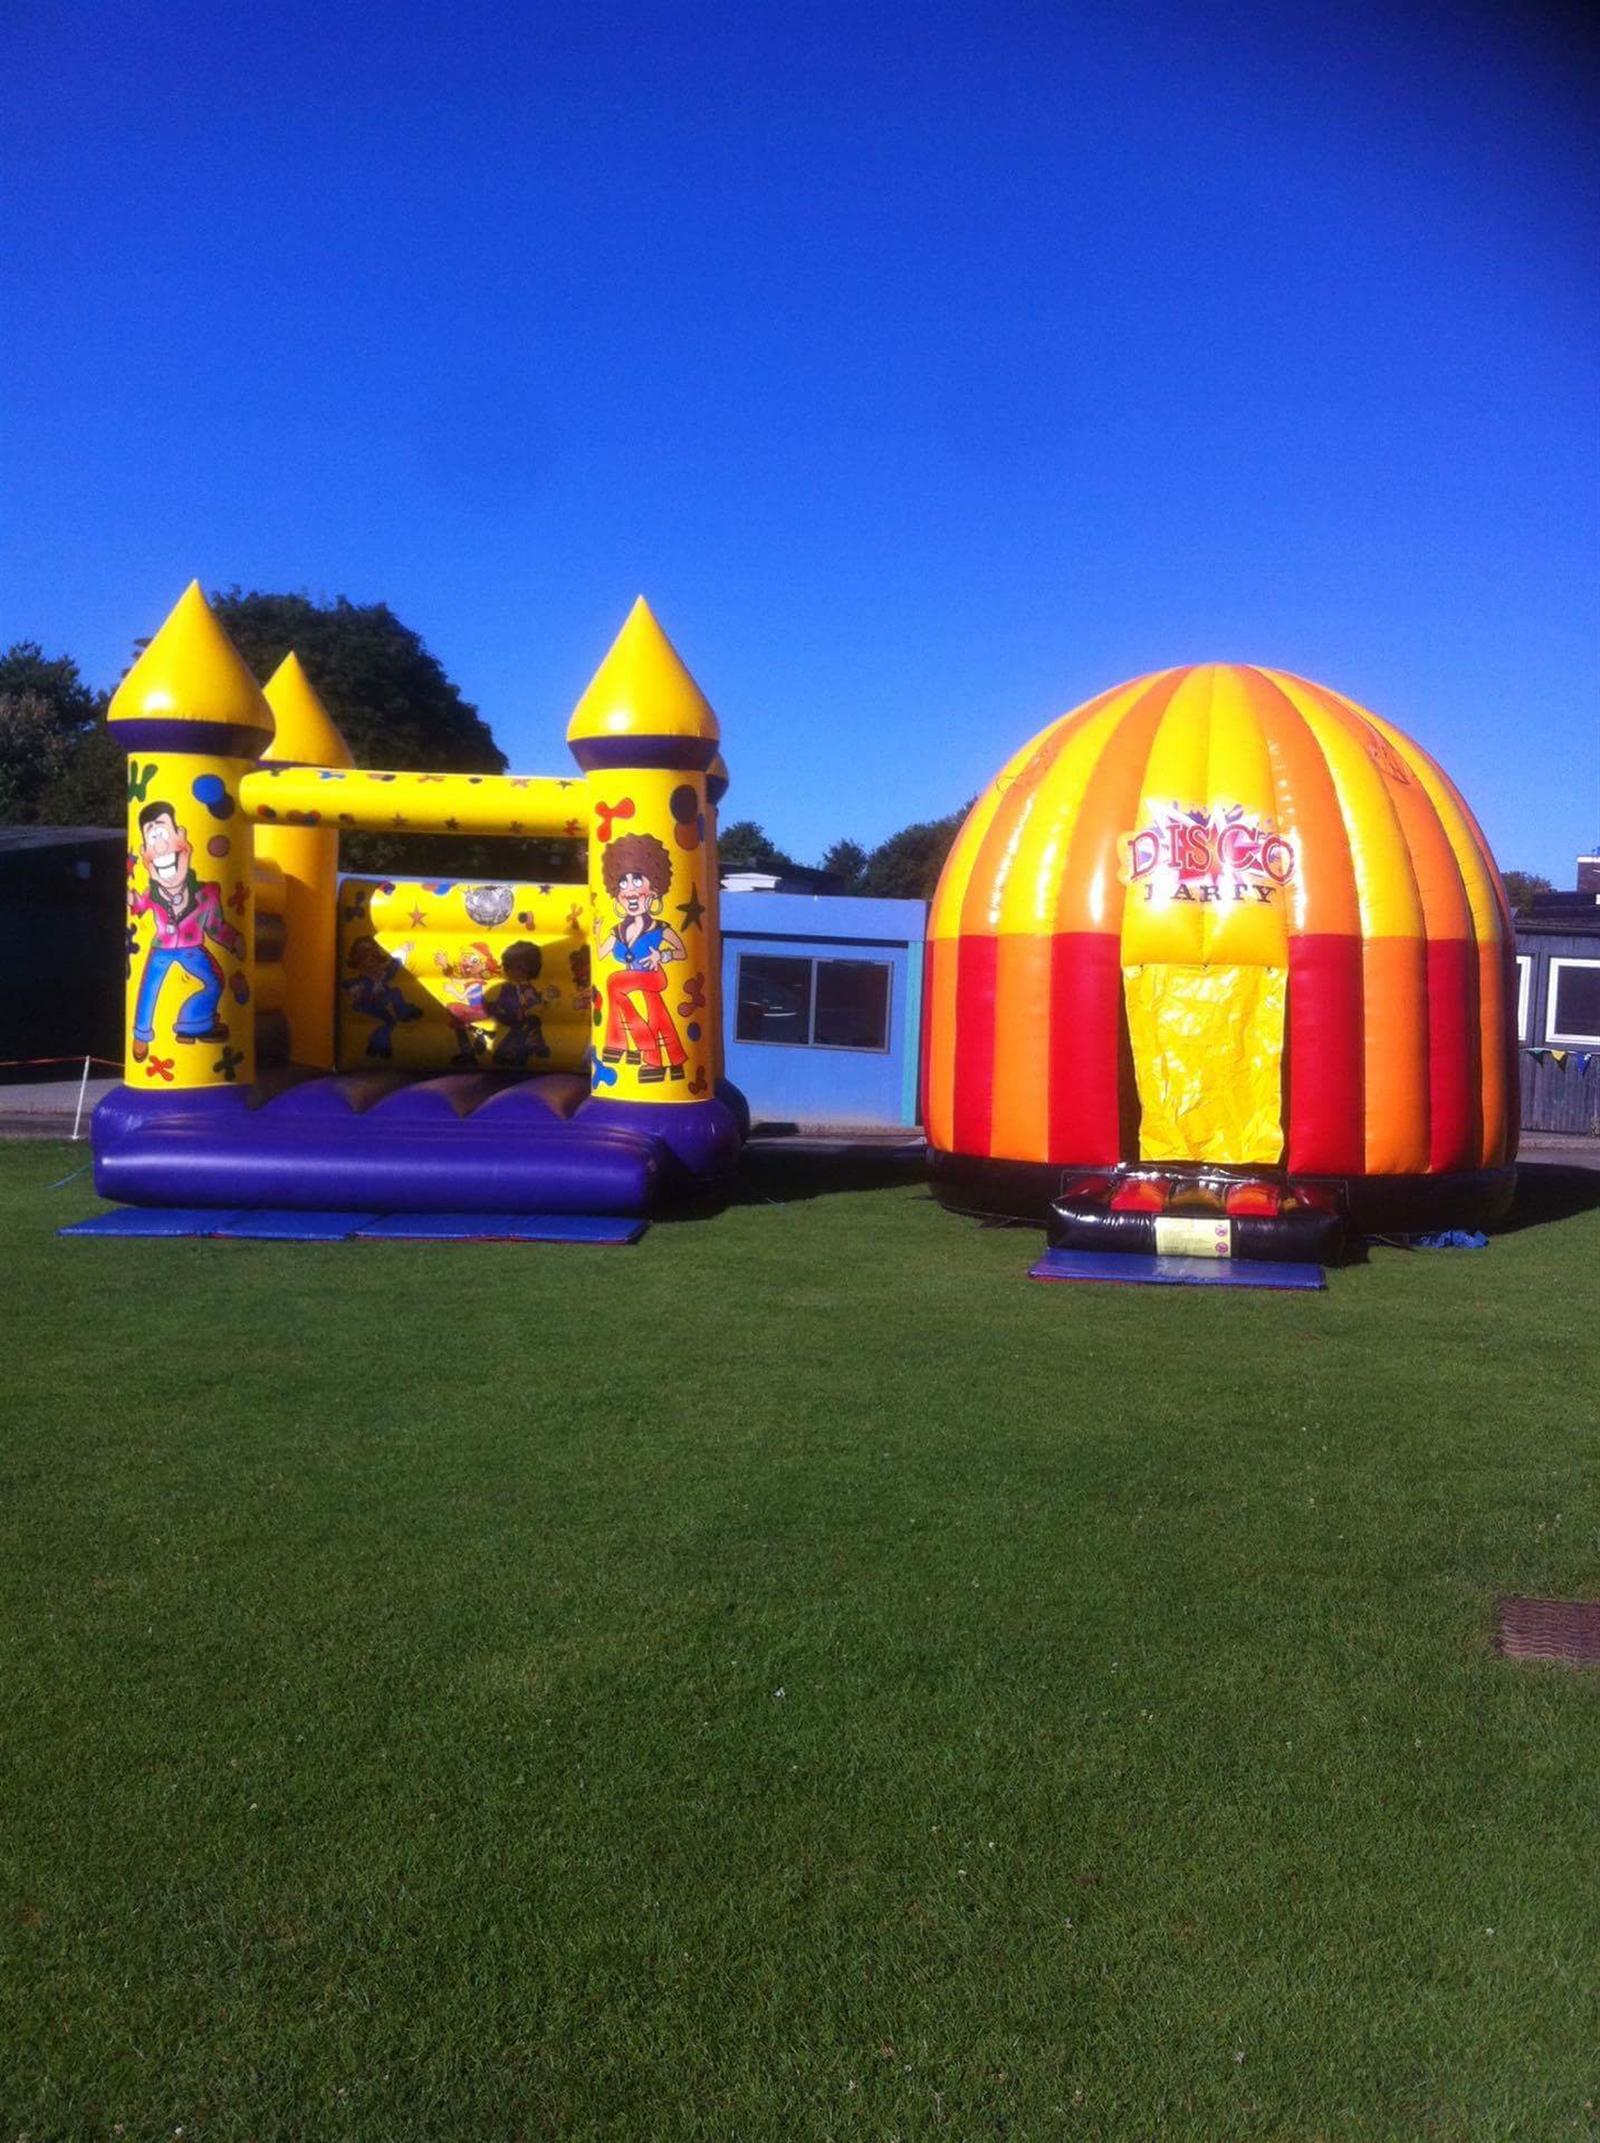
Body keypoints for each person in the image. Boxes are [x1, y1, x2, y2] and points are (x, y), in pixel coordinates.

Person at [127, 800, 245, 1061]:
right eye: (152, 838)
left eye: (165, 834)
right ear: (146, 854)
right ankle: (141, 1035)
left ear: (184, 841)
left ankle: (193, 1022)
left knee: (215, 982)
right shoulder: (151, 894)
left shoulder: (207, 893)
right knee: (149, 988)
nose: (160, 846)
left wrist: (233, 939)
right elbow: (135, 906)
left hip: (192, 949)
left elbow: (215, 927)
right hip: (162, 948)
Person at [594, 832, 687, 1082]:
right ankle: (670, 1060)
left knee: (615, 983)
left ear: (654, 890)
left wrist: (663, 955)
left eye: (638, 880)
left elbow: (682, 952)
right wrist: (597, 933)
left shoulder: (660, 928)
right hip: (634, 980)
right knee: (658, 1015)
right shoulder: (619, 930)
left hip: (653, 976)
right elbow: (602, 953)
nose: (630, 890)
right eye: (623, 883)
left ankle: (630, 1043)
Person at [485, 940, 556, 1067]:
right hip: (509, 1014)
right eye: (510, 967)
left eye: (518, 968)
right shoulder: (508, 987)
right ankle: (535, 1046)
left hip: (517, 1015)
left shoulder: (526, 988)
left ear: (528, 970)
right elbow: (505, 1001)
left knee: (529, 1024)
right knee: (527, 1025)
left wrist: (544, 998)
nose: (512, 972)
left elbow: (532, 1000)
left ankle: (532, 1046)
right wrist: (495, 1007)